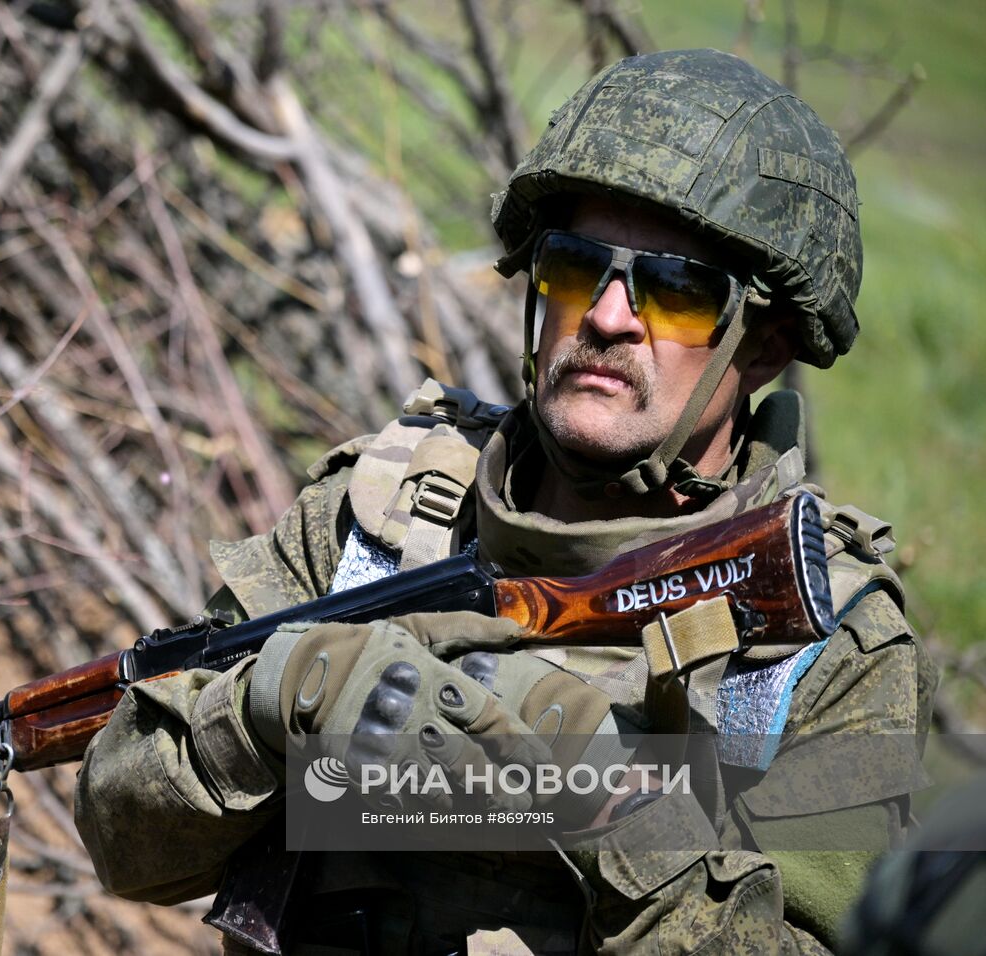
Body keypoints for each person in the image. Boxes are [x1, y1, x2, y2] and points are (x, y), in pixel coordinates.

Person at [74, 49, 935, 954]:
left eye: (675, 290)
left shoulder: (817, 638)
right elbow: (122, 838)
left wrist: (607, 806)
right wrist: (264, 706)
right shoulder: (382, 524)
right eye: (575, 266)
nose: (607, 317)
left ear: (762, 348)